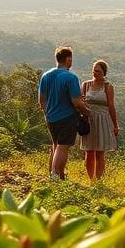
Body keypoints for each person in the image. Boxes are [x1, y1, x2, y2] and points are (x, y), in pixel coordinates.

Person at [38, 46, 89, 180]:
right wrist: (87, 112)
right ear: (68, 59)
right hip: (67, 117)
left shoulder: (46, 76)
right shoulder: (71, 77)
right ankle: (55, 175)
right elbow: (76, 102)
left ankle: (59, 176)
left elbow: (41, 100)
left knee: (56, 145)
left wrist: (47, 114)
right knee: (63, 147)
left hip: (50, 117)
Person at [80, 59, 119, 180]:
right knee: (89, 151)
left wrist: (115, 125)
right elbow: (81, 102)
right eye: (94, 70)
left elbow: (111, 106)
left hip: (103, 119)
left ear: (103, 72)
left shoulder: (108, 86)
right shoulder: (86, 85)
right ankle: (91, 179)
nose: (95, 73)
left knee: (100, 151)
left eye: (98, 71)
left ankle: (99, 179)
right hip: (89, 120)